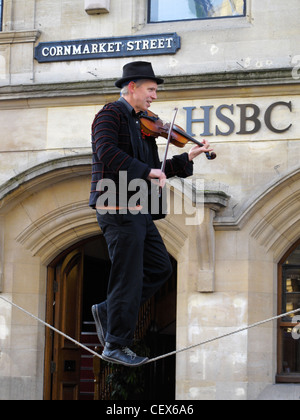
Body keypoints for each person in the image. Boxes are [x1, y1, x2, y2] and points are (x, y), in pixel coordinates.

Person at [89, 61, 213, 367]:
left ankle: (108, 310)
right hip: (116, 206)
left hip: (139, 208)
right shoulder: (110, 114)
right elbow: (106, 152)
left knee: (160, 268)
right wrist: (146, 171)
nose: (154, 97)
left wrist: (189, 156)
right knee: (127, 276)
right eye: (151, 89)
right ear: (132, 87)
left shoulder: (143, 126)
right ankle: (115, 344)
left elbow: (156, 172)